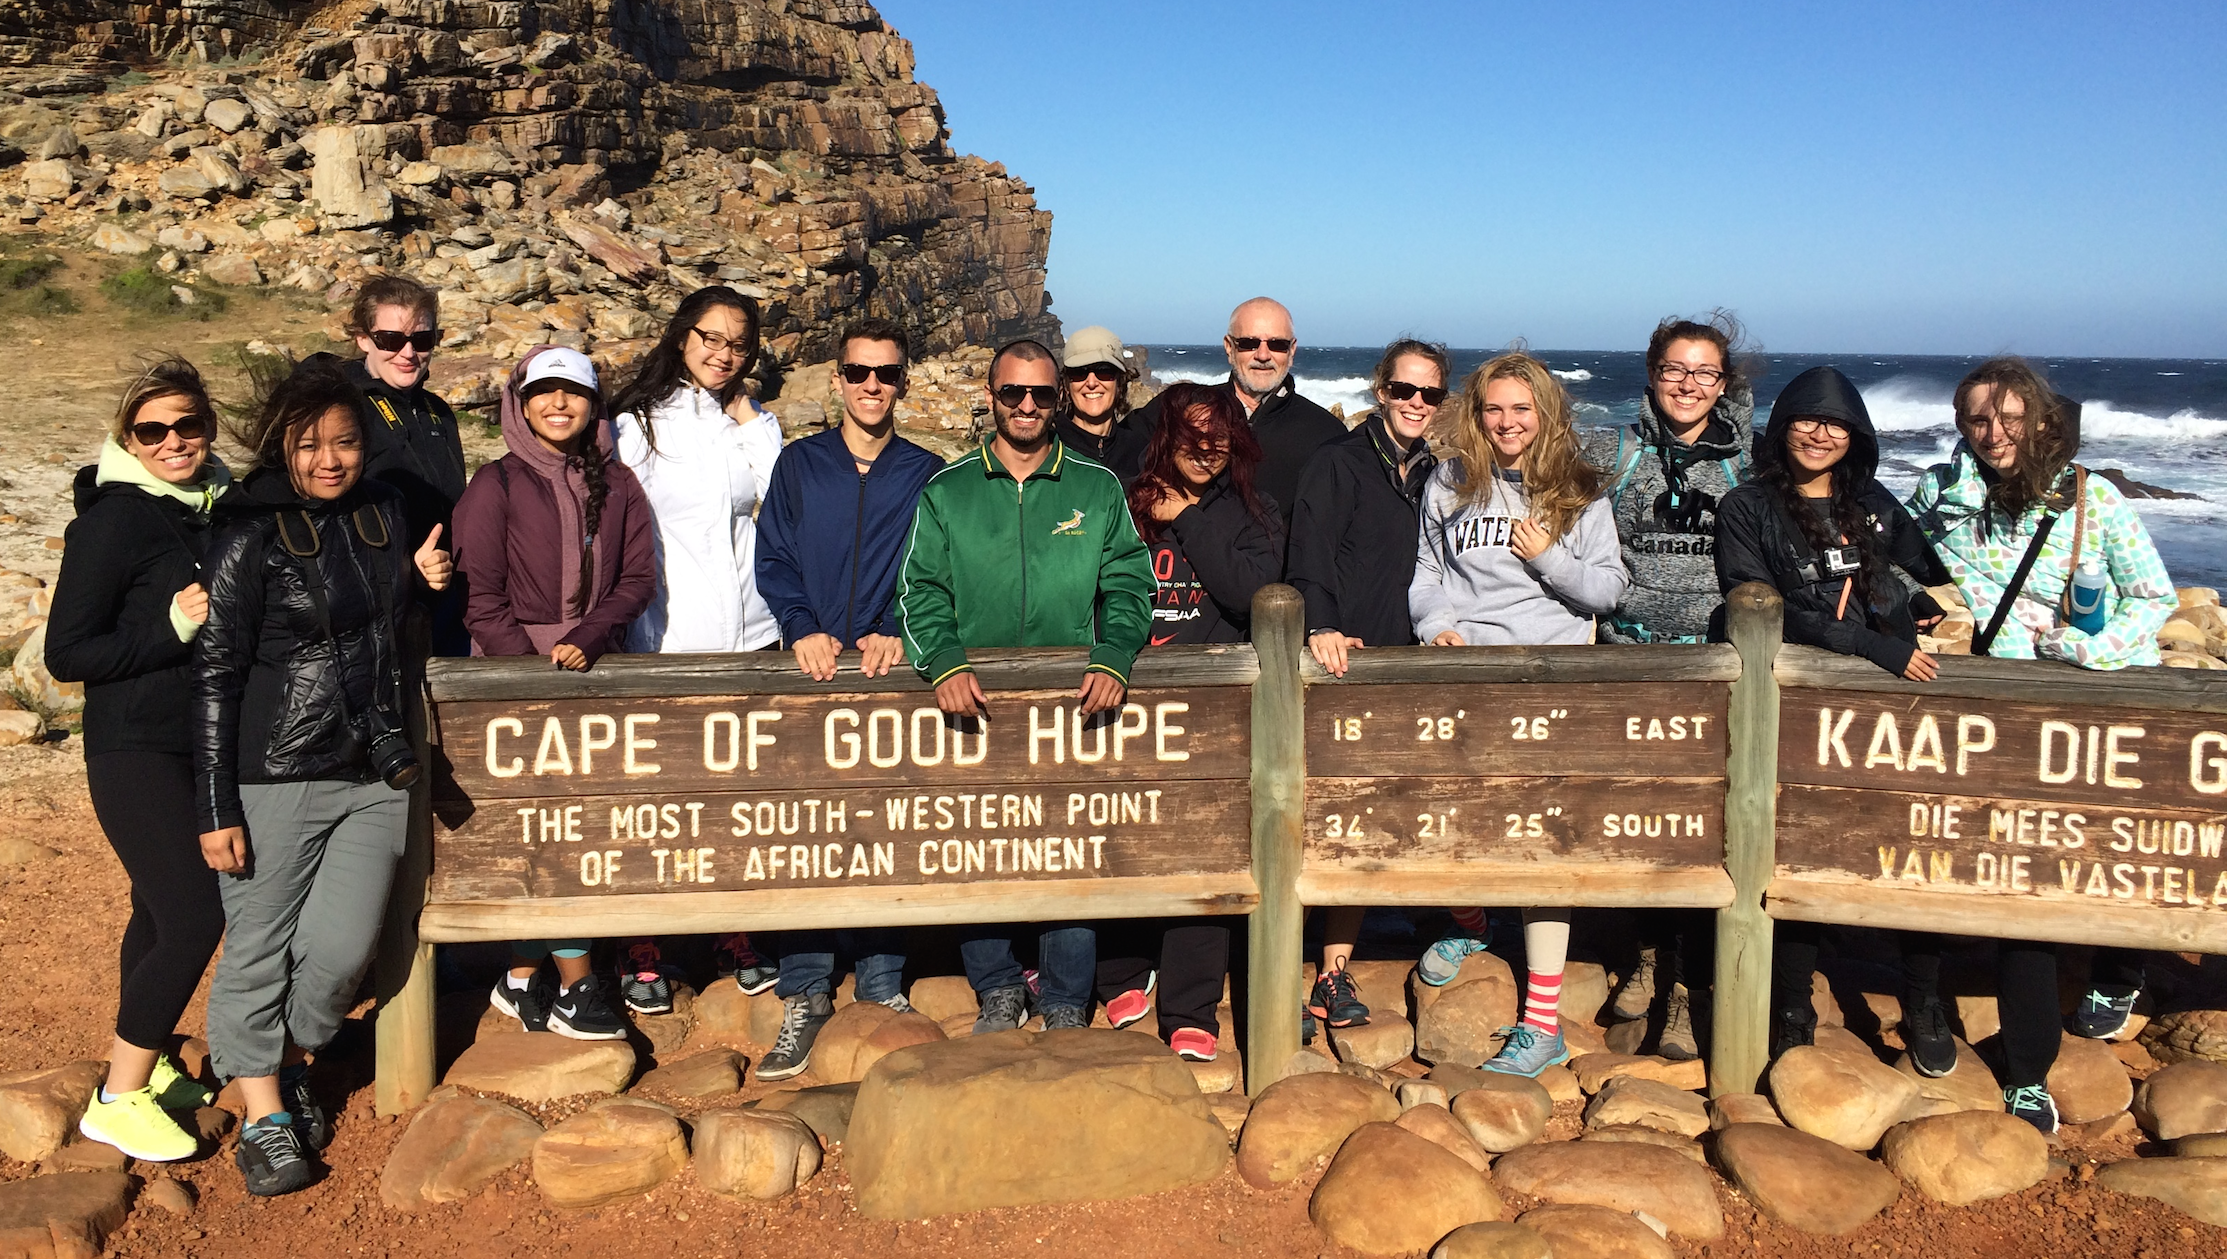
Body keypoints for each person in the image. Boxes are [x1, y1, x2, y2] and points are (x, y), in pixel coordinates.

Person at [194, 354, 453, 1195]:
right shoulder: (248, 529)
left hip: (374, 766)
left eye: (345, 442)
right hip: (274, 770)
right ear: (282, 446)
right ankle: (266, 1115)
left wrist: (419, 583)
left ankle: (289, 1057)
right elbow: (217, 672)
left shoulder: (385, 511)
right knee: (260, 942)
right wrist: (214, 802)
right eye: (311, 446)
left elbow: (382, 628)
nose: (331, 460)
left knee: (344, 950)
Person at [1906, 357, 2177, 1125]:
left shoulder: (2096, 500)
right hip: (2009, 716)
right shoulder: (1944, 497)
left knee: (2114, 852)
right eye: (1976, 420)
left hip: (2097, 702)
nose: (1993, 434)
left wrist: (2081, 650)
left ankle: (2120, 968)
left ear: (2042, 419)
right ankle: (2027, 1066)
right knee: (2023, 877)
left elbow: (2153, 598)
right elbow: (1888, 548)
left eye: (2008, 417)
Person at [898, 338, 1154, 1033]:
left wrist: (1114, 655)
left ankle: (1067, 997)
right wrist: (943, 662)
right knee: (978, 845)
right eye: (1014, 392)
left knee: (1066, 844)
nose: (1028, 405)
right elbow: (919, 589)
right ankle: (999, 986)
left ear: (1059, 399)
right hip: (972, 703)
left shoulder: (1095, 487)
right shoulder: (947, 489)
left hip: (1069, 704)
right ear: (991, 397)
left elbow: (1131, 582)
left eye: (1043, 393)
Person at [1412, 352, 1629, 1077]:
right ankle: (1471, 922)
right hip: (1469, 678)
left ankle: (1542, 1022)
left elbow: (1606, 591)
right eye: (1492, 410)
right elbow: (1428, 574)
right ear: (1475, 416)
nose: (1506, 423)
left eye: (1520, 409)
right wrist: (1432, 624)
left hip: (1547, 687)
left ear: (1545, 413)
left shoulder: (1579, 493)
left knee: (1541, 849)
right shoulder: (1447, 483)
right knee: (1460, 816)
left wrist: (1548, 558)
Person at [751, 317, 943, 1080]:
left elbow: (934, 567)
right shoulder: (799, 466)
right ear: (836, 380)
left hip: (883, 674)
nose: (872, 386)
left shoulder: (925, 471)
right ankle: (804, 989)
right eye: (859, 372)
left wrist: (896, 626)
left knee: (886, 822)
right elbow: (773, 557)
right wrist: (800, 626)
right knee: (807, 828)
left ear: (903, 382)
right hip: (811, 670)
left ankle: (881, 981)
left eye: (886, 373)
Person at [49, 359, 232, 1162]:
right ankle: (116, 1096)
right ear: (129, 438)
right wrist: (169, 628)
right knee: (197, 912)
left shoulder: (212, 508)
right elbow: (67, 651)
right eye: (153, 429)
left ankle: (149, 1065)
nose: (173, 441)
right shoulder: (115, 521)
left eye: (187, 424)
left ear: (208, 428)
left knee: (155, 912)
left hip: (195, 741)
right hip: (132, 746)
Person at [453, 345, 657, 1040]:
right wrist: (529, 673)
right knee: (541, 831)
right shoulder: (495, 484)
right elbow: (480, 600)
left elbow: (635, 580)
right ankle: (576, 984)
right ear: (520, 402)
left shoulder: (620, 483)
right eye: (543, 392)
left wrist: (594, 636)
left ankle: (516, 978)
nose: (558, 404)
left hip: (594, 671)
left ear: (594, 404)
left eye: (572, 392)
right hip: (515, 681)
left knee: (579, 831)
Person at [1581, 313, 1755, 1060]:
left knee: (1705, 831)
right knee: (1641, 822)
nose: (1688, 384)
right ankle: (1648, 957)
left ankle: (1686, 989)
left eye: (1704, 372)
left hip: (1717, 671)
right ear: (1652, 374)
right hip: (1629, 662)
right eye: (1675, 370)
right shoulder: (1615, 449)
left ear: (1724, 383)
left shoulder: (1748, 459)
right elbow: (1522, 460)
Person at [1090, 382, 1282, 1060]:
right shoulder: (1121, 503)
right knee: (1121, 842)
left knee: (1204, 851)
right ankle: (1118, 968)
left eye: (1218, 437)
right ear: (1164, 438)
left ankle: (1189, 1004)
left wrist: (1191, 518)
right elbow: (1092, 588)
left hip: (1212, 714)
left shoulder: (1253, 512)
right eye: (1189, 436)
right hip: (1125, 703)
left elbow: (1248, 594)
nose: (1204, 450)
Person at [609, 286, 786, 1012]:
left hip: (752, 633)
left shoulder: (745, 422)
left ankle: (734, 931)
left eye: (738, 344)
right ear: (681, 336)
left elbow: (780, 504)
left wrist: (756, 423)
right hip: (669, 638)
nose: (722, 354)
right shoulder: (637, 425)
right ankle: (642, 943)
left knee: (740, 798)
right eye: (710, 338)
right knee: (659, 800)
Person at [1285, 338, 1450, 1034]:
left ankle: (1335, 967)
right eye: (1403, 389)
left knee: (1375, 818)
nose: (1415, 402)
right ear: (1379, 391)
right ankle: (1301, 969)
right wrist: (1319, 623)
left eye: (1429, 393)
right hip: (1342, 666)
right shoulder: (1340, 463)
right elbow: (1308, 555)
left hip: (1409, 667)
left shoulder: (1437, 475)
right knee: (1322, 820)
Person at [1126, 297, 1343, 523]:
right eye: (1249, 343)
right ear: (1229, 347)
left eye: (1277, 344)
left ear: (1292, 351)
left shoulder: (1326, 433)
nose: (1263, 355)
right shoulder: (1179, 409)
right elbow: (1113, 457)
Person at [345, 275, 469, 654]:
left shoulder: (439, 412)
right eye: (391, 340)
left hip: (445, 594)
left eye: (422, 339)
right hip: (374, 606)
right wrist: (405, 569)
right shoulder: (342, 409)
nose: (408, 352)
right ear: (363, 339)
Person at [1055, 325, 1147, 480]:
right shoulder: (1048, 446)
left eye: (1104, 370)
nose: (1091, 382)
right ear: (1066, 383)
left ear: (1120, 381)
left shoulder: (1141, 452)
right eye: (1079, 372)